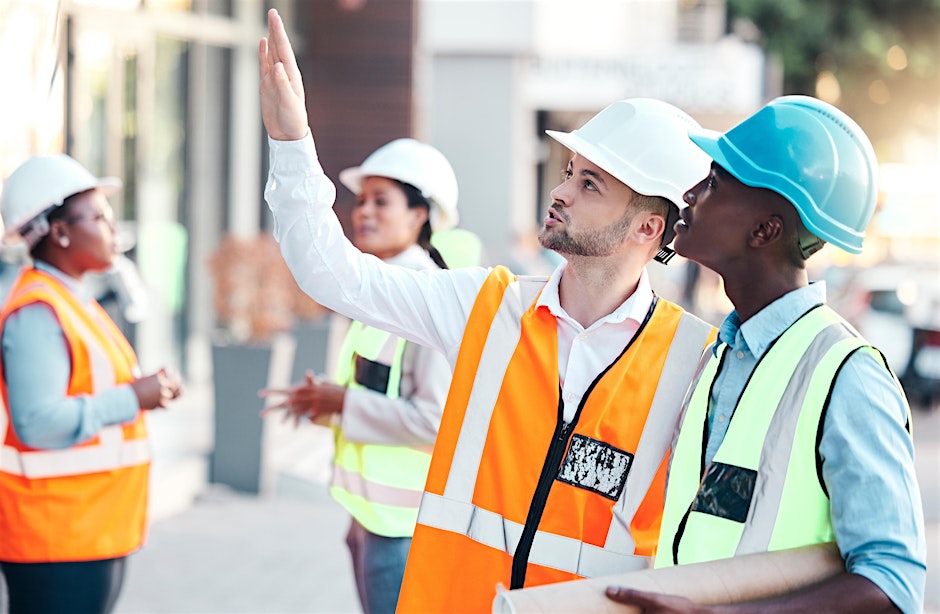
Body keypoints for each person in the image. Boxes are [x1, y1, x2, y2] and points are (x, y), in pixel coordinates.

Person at [259, 9, 717, 612]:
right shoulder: (486, 305)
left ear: (649, 227)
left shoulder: (696, 362)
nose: (560, 193)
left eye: (590, 186)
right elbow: (334, 275)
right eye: (570, 174)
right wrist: (293, 144)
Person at [606, 96, 927, 613]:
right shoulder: (718, 356)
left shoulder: (849, 375)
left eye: (713, 183)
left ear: (765, 230)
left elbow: (893, 584)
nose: (689, 194)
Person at [260, 137, 464, 614]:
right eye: (360, 200)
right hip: (371, 518)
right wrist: (325, 404)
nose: (363, 212)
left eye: (381, 201)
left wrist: (341, 403)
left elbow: (437, 419)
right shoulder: (381, 293)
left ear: (420, 216)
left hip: (404, 529)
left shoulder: (426, 302)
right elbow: (377, 389)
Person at [0, 154, 183, 614]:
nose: (113, 230)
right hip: (56, 538)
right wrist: (131, 398)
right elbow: (39, 424)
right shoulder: (39, 311)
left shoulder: (74, 299)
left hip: (87, 529)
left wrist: (145, 391)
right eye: (99, 217)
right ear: (58, 231)